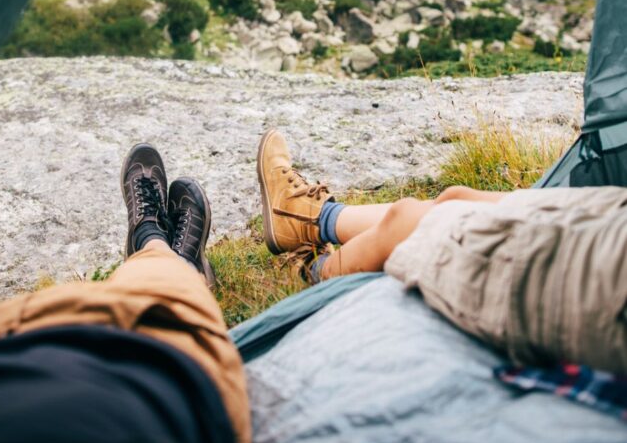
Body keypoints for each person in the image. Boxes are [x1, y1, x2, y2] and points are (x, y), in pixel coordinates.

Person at [0, 142, 417, 443]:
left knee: (123, 286)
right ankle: (165, 252)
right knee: (157, 290)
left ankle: (151, 238)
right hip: (141, 368)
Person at [257, 128, 627, 374]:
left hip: (611, 281)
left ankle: (315, 270)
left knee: (407, 221)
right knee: (457, 197)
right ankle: (308, 219)